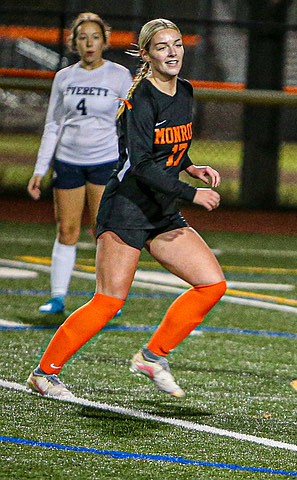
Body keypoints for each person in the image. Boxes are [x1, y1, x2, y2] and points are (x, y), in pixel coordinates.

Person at [26, 18, 227, 399]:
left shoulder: (185, 90)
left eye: (177, 44)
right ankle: (44, 374)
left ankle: (153, 356)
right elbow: (142, 164)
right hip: (127, 209)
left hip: (160, 210)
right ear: (147, 54)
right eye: (162, 46)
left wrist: (192, 167)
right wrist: (190, 193)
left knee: (212, 284)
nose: (172, 52)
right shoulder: (140, 100)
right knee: (108, 300)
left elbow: (169, 149)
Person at [27, 12, 132, 315]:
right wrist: (39, 169)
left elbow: (128, 124)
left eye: (95, 37)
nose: (89, 43)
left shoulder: (119, 75)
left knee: (104, 231)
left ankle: (108, 298)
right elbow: (53, 125)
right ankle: (58, 297)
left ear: (105, 41)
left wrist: (127, 166)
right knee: (67, 230)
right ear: (74, 41)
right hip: (69, 161)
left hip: (104, 161)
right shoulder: (64, 77)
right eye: (83, 37)